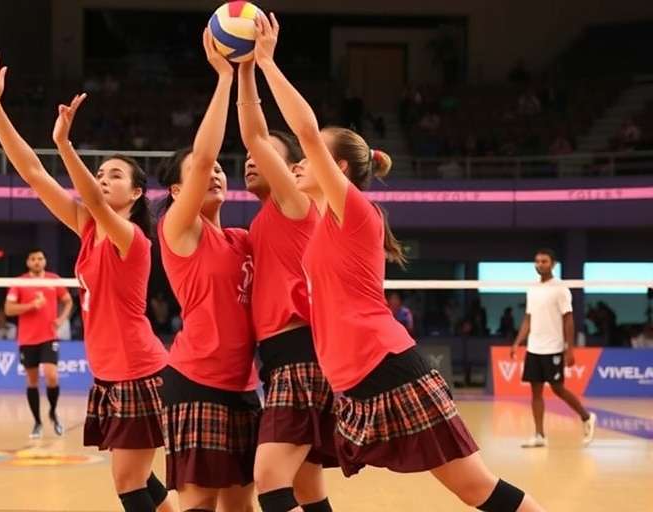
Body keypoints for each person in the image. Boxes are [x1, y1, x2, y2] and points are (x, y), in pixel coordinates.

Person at [254, 13, 542, 511]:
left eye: (311, 154)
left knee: (476, 488)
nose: (297, 162)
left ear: (337, 168)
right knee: (302, 483)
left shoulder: (354, 210)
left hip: (385, 367)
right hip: (354, 379)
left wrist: (266, 63)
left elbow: (301, 130)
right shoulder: (322, 223)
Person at [0, 49, 174, 512]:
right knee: (142, 479)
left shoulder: (133, 239)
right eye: (100, 172)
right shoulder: (89, 229)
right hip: (108, 374)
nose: (103, 180)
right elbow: (32, 171)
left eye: (114, 174)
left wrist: (66, 145)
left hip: (137, 371)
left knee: (128, 484)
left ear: (137, 192)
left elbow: (89, 195)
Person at [155, 30, 259, 512]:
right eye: (203, 170)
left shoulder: (241, 240)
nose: (216, 172)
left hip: (245, 388)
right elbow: (200, 162)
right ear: (178, 191)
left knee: (240, 505)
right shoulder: (178, 229)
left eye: (222, 169)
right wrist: (225, 78)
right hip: (196, 381)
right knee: (198, 504)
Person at [237, 58, 336, 512]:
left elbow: (254, 135)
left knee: (269, 481)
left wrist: (243, 71)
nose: (250, 163)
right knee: (306, 489)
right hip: (281, 359)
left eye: (264, 158)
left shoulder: (294, 202)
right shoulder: (261, 221)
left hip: (299, 353)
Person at [511, 249, 597, 448]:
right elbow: (528, 318)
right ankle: (539, 435)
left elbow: (568, 319)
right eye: (537, 261)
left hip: (554, 347)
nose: (540, 264)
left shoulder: (560, 289)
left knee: (558, 389)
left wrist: (570, 349)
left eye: (544, 261)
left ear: (553, 264)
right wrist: (518, 342)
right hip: (534, 347)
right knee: (535, 392)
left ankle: (586, 417)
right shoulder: (532, 288)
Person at [3, 248, 73, 439]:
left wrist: (62, 319)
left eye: (40, 258)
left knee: (51, 376)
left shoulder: (54, 279)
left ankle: (53, 412)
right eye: (33, 258)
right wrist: (31, 306)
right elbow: (8, 309)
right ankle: (37, 422)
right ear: (28, 262)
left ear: (44, 261)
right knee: (32, 381)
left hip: (49, 336)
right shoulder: (20, 282)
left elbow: (68, 301)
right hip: (27, 339)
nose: (37, 261)